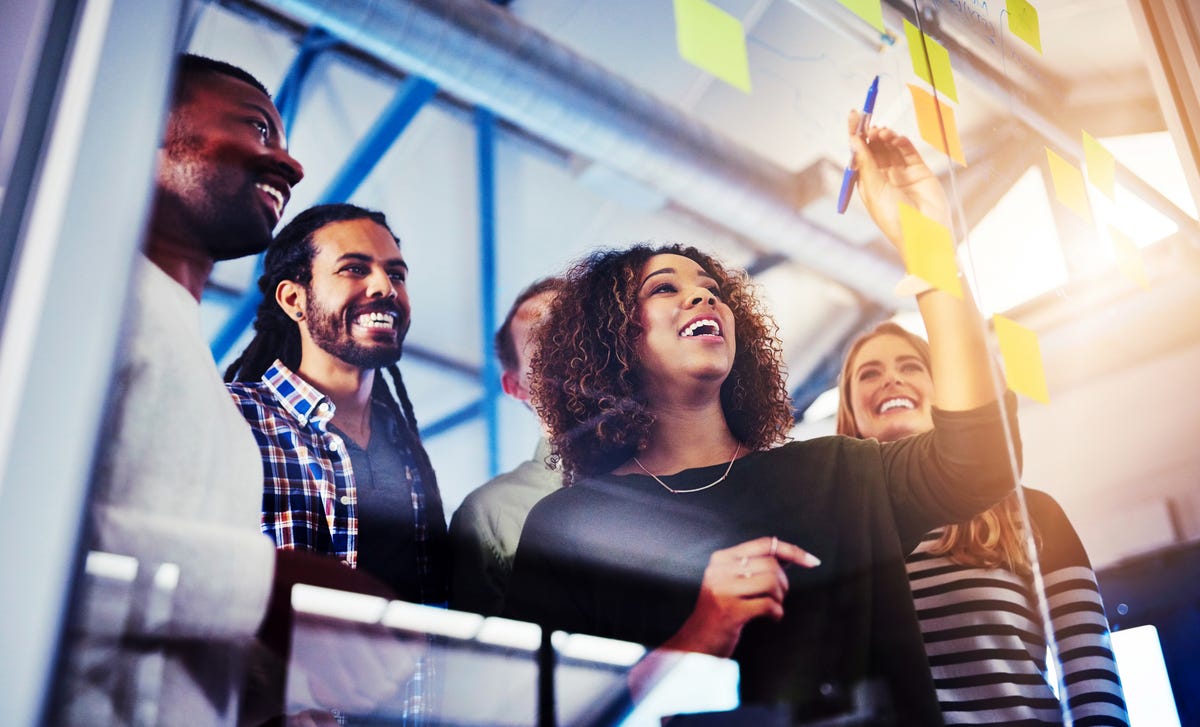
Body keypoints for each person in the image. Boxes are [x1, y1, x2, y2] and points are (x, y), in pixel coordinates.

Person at [504, 116, 1019, 723]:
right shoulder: (568, 525)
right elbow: (547, 712)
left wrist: (928, 244)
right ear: (614, 339)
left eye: (711, 287)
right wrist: (700, 635)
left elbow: (980, 459)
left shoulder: (838, 471)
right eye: (663, 289)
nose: (703, 297)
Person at [66, 54, 312, 725]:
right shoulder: (67, 300)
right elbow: (32, 531)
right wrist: (266, 588)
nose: (289, 166)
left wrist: (266, 689)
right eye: (258, 130)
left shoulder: (191, 360)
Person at [836, 321, 1130, 725]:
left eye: (911, 367)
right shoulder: (829, 536)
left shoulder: (1031, 514)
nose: (891, 379)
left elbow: (1090, 673)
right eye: (870, 373)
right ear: (850, 411)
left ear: (943, 393)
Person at [225, 203, 449, 607]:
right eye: (355, 268)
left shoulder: (408, 451)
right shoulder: (232, 419)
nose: (385, 287)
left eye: (396, 274)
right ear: (294, 299)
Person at [449, 277, 566, 616]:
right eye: (540, 335)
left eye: (576, 323)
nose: (564, 340)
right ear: (514, 386)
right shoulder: (488, 516)